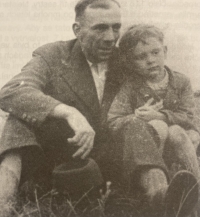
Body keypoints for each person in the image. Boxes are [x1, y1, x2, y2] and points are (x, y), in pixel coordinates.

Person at [0, 0, 123, 212]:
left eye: (116, 27)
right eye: (100, 28)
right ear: (78, 30)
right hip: (63, 160)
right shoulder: (53, 55)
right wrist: (69, 112)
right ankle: (4, 202)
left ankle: (160, 196)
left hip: (112, 162)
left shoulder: (126, 59)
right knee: (18, 118)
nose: (110, 37)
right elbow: (12, 91)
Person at [107, 24, 200, 216]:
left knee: (177, 131)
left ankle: (195, 186)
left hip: (179, 142)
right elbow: (114, 120)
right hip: (149, 146)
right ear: (131, 63)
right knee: (160, 127)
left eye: (155, 52)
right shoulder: (131, 87)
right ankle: (160, 189)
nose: (150, 60)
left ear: (164, 51)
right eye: (141, 57)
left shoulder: (181, 82)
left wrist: (162, 115)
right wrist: (137, 116)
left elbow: (189, 117)